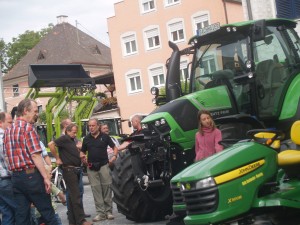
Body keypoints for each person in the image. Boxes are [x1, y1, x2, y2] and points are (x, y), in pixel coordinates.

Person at [3, 99, 57, 225]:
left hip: (16, 178)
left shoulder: (8, 131)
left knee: (22, 217)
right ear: (25, 111)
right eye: (34, 111)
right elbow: (35, 155)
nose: (36, 114)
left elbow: (6, 157)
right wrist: (46, 177)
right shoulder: (28, 128)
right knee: (47, 212)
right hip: (31, 176)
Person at [48, 123, 93, 225]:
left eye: (76, 132)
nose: (75, 134)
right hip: (69, 170)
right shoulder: (64, 138)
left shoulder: (72, 140)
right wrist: (57, 158)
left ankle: (73, 221)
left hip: (75, 169)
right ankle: (81, 220)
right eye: (73, 132)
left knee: (72, 197)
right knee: (76, 196)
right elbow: (51, 144)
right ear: (67, 131)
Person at [81, 119, 118, 222]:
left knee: (107, 188)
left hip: (104, 165)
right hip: (91, 167)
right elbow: (82, 152)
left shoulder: (105, 137)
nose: (91, 128)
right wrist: (82, 157)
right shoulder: (86, 139)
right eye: (89, 126)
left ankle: (109, 212)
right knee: (96, 190)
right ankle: (100, 213)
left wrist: (114, 156)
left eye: (93, 126)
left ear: (98, 126)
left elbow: (115, 147)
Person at [60, 119, 90, 218]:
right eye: (70, 125)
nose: (73, 127)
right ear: (65, 127)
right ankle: (72, 213)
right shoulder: (63, 138)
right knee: (72, 192)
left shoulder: (73, 138)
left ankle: (79, 212)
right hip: (70, 169)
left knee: (79, 191)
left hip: (78, 167)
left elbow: (80, 147)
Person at [0, 112, 17, 225]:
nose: (12, 125)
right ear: (0, 123)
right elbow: (8, 160)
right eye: (10, 122)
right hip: (6, 179)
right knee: (20, 210)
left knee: (7, 213)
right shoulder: (3, 137)